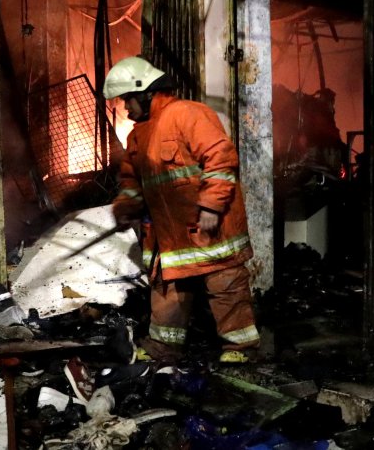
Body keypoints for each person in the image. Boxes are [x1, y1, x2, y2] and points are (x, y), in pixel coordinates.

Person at [103, 56, 260, 364]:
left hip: (208, 227)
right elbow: (133, 181)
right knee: (168, 290)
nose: (125, 108)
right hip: (171, 235)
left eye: (127, 99)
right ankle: (164, 348)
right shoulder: (137, 137)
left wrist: (212, 205)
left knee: (225, 284)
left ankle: (241, 349)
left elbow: (221, 158)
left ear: (145, 92)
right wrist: (126, 207)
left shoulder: (188, 114)